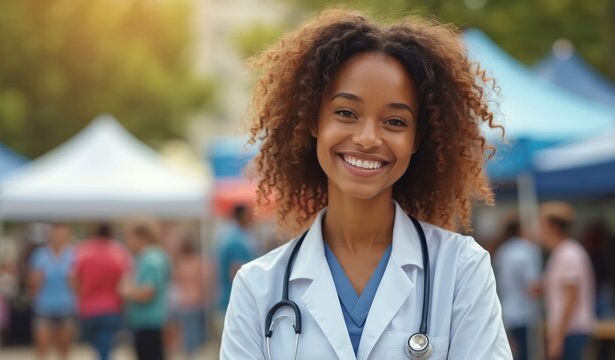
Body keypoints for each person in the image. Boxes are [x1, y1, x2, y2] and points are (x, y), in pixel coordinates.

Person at [220, 9, 511, 359]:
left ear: (418, 139)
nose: (368, 138)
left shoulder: (462, 270)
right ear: (313, 121)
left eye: (394, 121)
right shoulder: (257, 287)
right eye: (346, 113)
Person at [539, 201, 595, 360]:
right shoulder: (562, 253)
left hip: (572, 330)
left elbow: (571, 298)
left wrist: (558, 337)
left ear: (553, 228)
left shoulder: (568, 254)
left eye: (542, 225)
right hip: (569, 331)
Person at [71, 223, 131, 360]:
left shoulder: (83, 251)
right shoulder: (119, 252)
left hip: (88, 308)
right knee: (106, 344)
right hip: (112, 308)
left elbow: (73, 278)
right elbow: (125, 281)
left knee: (98, 345)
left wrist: (81, 294)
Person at [121, 218, 171, 360]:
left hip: (148, 322)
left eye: (130, 237)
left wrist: (126, 290)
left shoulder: (150, 259)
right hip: (149, 321)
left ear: (141, 237)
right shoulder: (153, 256)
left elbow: (148, 292)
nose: (128, 242)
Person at [493, 216, 542, 360]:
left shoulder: (502, 251)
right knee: (526, 354)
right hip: (524, 314)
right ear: (521, 229)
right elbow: (532, 286)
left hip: (507, 312)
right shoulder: (526, 249)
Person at [27, 223, 76, 360]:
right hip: (44, 305)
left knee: (64, 348)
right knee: (42, 347)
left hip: (66, 305)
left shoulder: (73, 254)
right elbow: (32, 281)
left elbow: (78, 282)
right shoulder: (39, 254)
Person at [168, 236, 214, 357]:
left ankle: (189, 354)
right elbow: (206, 280)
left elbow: (175, 280)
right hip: (197, 300)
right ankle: (194, 355)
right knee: (196, 333)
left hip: (184, 301)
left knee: (186, 334)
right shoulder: (199, 262)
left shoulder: (180, 263)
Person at [217, 204, 256, 313]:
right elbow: (237, 272)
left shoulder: (232, 237)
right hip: (236, 300)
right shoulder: (237, 241)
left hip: (231, 298)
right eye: (248, 215)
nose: (251, 217)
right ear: (242, 216)